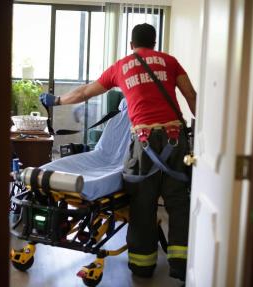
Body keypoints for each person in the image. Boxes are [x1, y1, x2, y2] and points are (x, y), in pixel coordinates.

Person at [40, 23, 196, 283]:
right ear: (154, 43)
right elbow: (191, 96)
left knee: (142, 204)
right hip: (174, 139)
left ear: (131, 44)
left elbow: (83, 92)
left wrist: (56, 101)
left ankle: (142, 267)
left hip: (143, 143)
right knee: (178, 203)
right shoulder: (170, 61)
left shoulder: (121, 67)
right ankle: (181, 267)